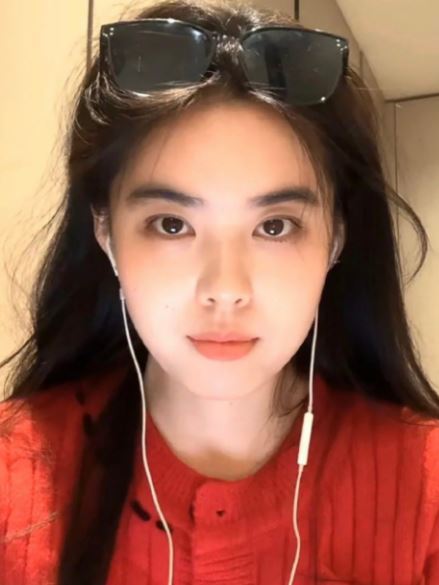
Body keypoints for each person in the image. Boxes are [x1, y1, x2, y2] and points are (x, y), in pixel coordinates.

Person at [1, 0, 439, 584]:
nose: (226, 290)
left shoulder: (427, 489)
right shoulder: (12, 473)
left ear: (335, 238)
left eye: (275, 226)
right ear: (105, 233)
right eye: (171, 225)